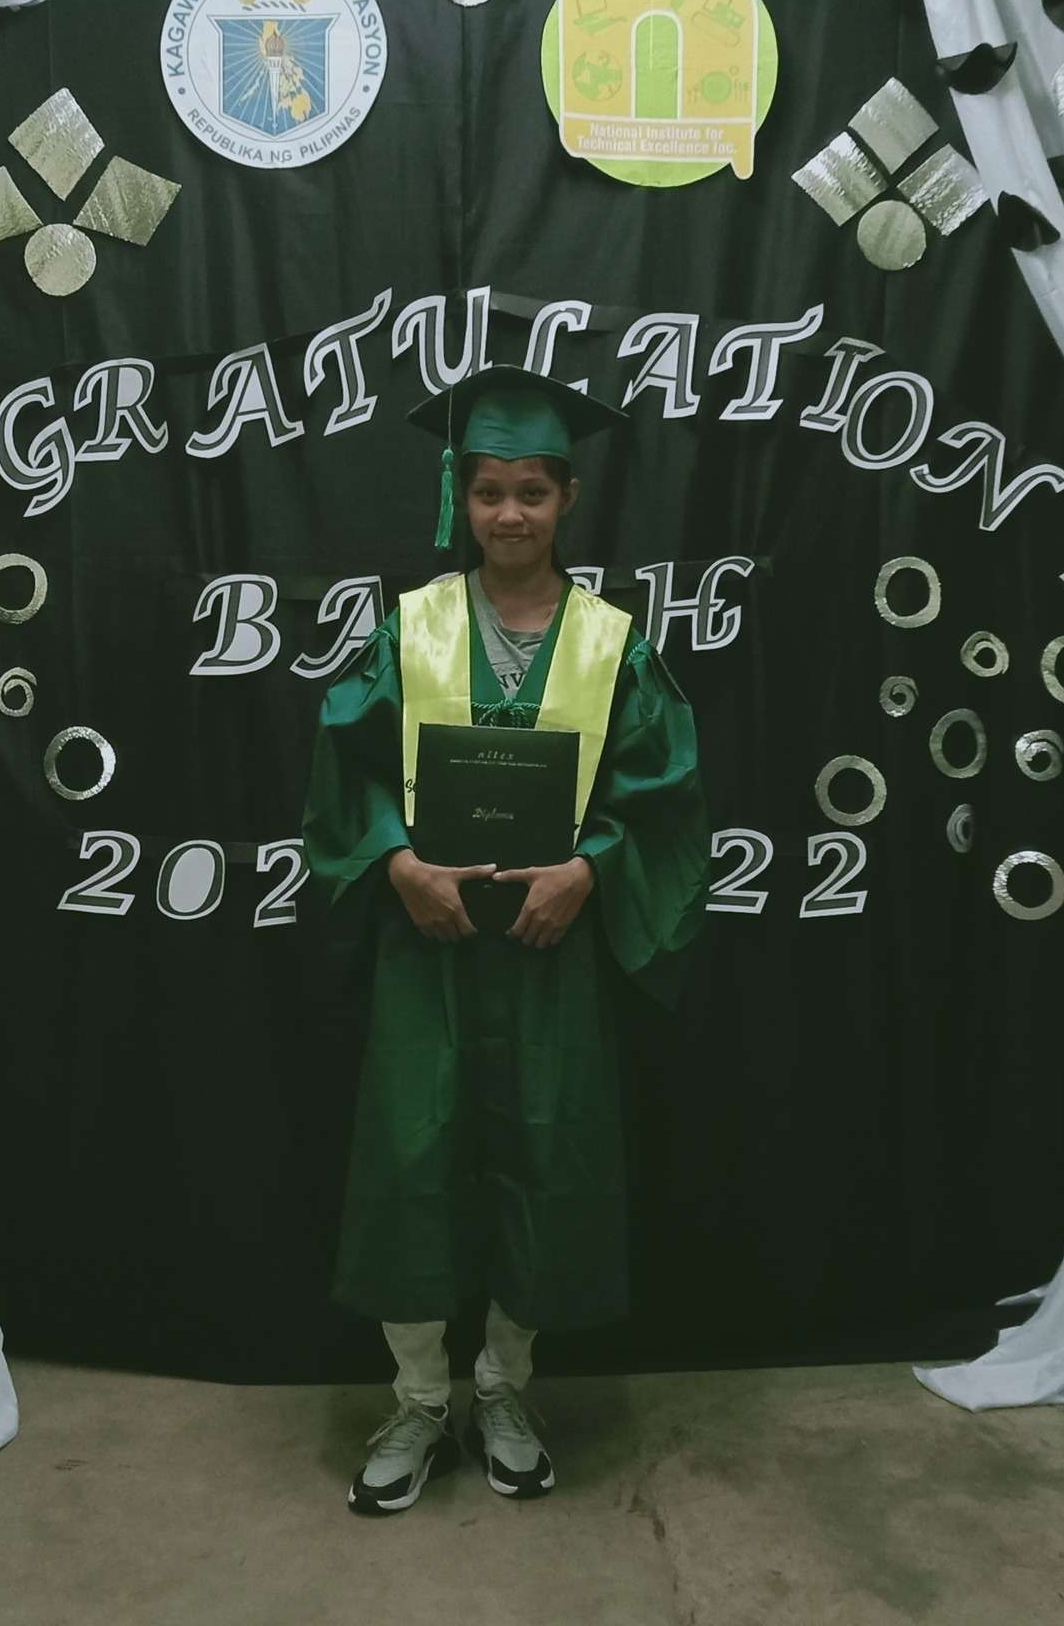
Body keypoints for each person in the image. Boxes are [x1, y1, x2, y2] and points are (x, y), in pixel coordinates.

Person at [302, 366, 710, 1515]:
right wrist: (396, 862)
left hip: (546, 952)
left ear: (568, 496)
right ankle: (418, 1397)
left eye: (532, 490)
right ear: (461, 496)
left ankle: (502, 1387)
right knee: (412, 1161)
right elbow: (346, 770)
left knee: (543, 1158)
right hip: (426, 949)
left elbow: (665, 798)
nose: (510, 512)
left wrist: (592, 868)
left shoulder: (612, 641)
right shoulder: (413, 624)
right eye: (488, 491)